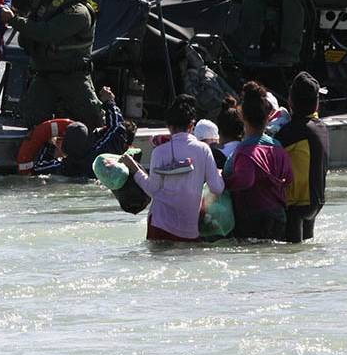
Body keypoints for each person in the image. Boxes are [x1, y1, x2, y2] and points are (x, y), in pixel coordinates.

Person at [0, 0, 104, 130]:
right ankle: (37, 147)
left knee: (91, 119)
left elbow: (46, 33)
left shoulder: (79, 12)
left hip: (72, 76)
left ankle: (102, 142)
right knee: (32, 117)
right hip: (44, 72)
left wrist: (13, 20)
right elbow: (25, 0)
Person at [121, 95, 224, 242]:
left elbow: (152, 190)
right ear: (191, 126)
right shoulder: (204, 150)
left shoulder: (159, 151)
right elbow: (217, 188)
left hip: (160, 226)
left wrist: (134, 169)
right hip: (189, 230)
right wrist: (220, 173)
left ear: (169, 126)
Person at [224, 82, 292, 240]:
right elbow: (289, 178)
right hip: (278, 216)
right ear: (268, 116)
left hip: (253, 218)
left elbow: (245, 181)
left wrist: (223, 181)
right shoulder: (278, 146)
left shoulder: (243, 151)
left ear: (241, 115)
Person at [18, 87, 134, 178]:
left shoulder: (63, 166)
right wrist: (110, 102)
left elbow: (37, 168)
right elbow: (117, 129)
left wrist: (49, 144)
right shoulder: (102, 154)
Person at [274, 71, 330, 243]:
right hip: (317, 201)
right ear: (317, 104)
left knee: (292, 253)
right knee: (306, 248)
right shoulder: (322, 128)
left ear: (290, 101)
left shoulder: (290, 132)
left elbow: (271, 151)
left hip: (297, 205)